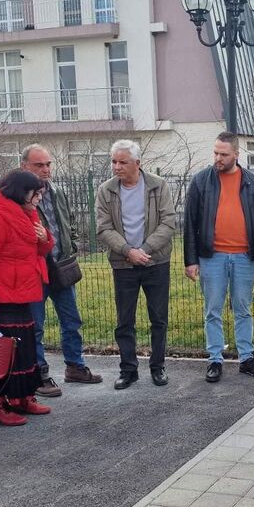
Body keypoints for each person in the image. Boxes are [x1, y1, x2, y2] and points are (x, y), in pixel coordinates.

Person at [0, 170, 54, 426]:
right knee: (2, 353)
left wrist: (45, 239)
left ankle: (22, 397)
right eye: (35, 193)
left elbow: (37, 251)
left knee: (24, 350)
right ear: (20, 191)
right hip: (0, 298)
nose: (38, 198)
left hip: (22, 292)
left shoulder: (27, 216)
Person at [183, 132, 254, 383]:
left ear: (236, 155)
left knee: (243, 309)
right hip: (212, 257)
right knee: (213, 310)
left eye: (224, 154)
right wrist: (191, 260)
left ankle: (246, 358)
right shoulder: (201, 181)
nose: (218, 158)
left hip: (246, 257)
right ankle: (215, 359)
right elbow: (190, 222)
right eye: (215, 153)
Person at [96, 140, 176, 390]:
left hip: (156, 262)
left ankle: (158, 366)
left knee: (158, 318)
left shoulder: (158, 185)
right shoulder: (106, 190)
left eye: (123, 162)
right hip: (123, 264)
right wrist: (128, 251)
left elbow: (168, 222)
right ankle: (128, 370)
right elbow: (103, 228)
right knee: (124, 321)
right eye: (114, 161)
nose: (116, 167)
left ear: (137, 164)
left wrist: (145, 250)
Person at [21, 144, 100, 398]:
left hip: (62, 266)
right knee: (36, 325)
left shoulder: (58, 192)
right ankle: (39, 374)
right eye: (39, 165)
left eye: (48, 164)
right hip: (35, 270)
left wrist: (71, 246)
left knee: (71, 319)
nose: (45, 170)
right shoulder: (18, 196)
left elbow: (70, 222)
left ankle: (75, 366)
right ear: (24, 166)